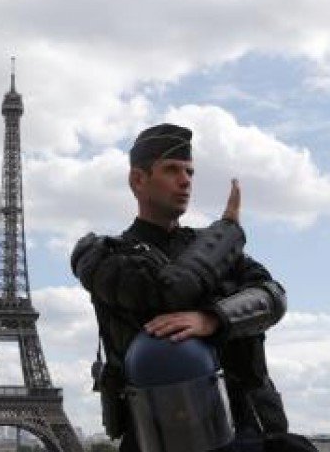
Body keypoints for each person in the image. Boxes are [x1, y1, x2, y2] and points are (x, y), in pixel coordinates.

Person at [71, 124, 316, 452]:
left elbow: (272, 297)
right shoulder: (102, 256)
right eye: (171, 170)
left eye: (190, 172)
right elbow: (164, 291)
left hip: (252, 431)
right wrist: (227, 230)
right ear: (138, 180)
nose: (185, 180)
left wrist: (213, 319)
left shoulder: (212, 246)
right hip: (160, 438)